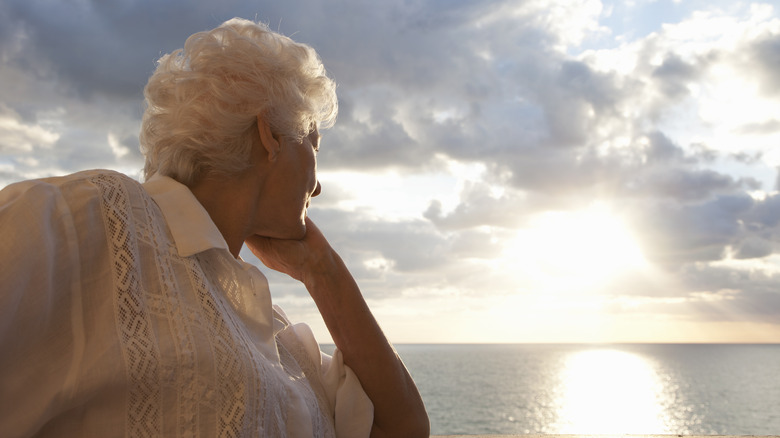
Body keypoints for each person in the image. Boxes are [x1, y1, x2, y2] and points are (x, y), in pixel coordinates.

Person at [0, 18, 429, 438]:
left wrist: (323, 270)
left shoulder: (276, 334)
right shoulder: (93, 216)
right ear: (270, 135)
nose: (317, 186)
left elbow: (403, 427)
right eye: (313, 146)